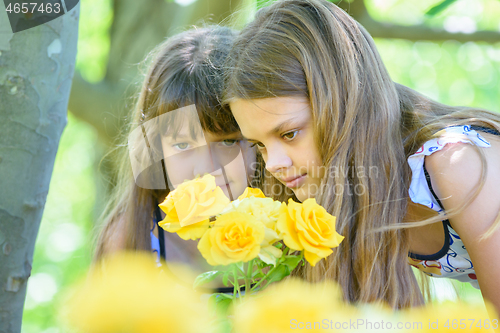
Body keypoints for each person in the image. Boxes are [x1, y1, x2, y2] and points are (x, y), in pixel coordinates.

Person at [224, 0, 500, 312]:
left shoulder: (457, 163)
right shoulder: (346, 192)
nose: (273, 163)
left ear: (344, 105)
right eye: (259, 144)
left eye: (289, 134)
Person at [94, 26, 256, 290]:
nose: (206, 169)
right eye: (183, 144)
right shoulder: (132, 239)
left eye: (228, 141)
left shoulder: (287, 228)